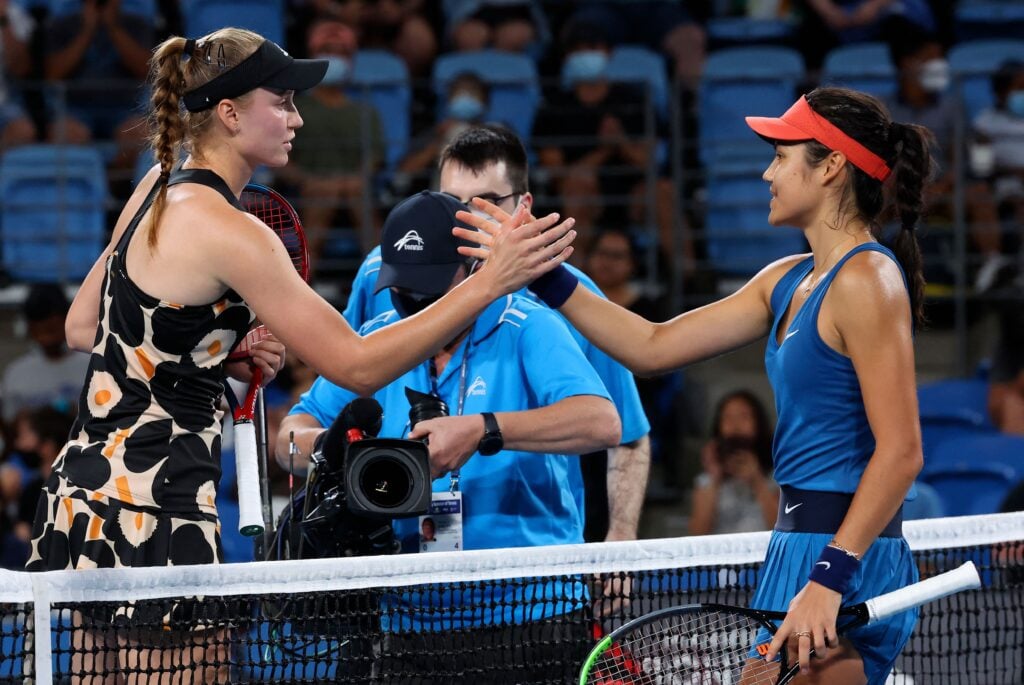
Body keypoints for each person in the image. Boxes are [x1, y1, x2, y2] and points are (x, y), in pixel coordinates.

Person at [24, 26, 573, 681]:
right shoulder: (237, 234)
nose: (298, 116)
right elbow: (357, 366)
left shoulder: (152, 191)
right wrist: (491, 280)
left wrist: (208, 349)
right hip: (157, 505)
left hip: (84, 496)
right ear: (229, 114)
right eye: (281, 101)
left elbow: (87, 324)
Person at [462, 86, 930, 684]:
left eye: (782, 156)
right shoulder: (785, 280)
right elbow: (651, 346)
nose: (767, 172)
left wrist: (830, 575)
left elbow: (902, 451)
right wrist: (544, 273)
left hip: (846, 555)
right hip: (797, 549)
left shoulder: (869, 277)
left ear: (832, 166)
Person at [278, 189, 620, 682]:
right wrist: (336, 450)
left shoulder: (528, 327)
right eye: (405, 289)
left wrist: (484, 429)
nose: (417, 304)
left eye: (432, 287)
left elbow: (600, 421)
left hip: (529, 614)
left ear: (475, 271)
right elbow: (288, 437)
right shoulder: (376, 340)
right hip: (405, 618)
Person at [344, 124, 651, 547]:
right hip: (403, 564)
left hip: (531, 554)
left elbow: (626, 433)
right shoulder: (385, 273)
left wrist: (620, 537)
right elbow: (345, 386)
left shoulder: (568, 298)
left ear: (524, 206)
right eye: (453, 204)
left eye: (486, 204)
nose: (466, 221)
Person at [273, 19, 385, 267]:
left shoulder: (365, 111)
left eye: (341, 53)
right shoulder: (294, 107)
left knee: (355, 190)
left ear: (351, 60)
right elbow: (278, 161)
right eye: (327, 51)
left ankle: (380, 279)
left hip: (355, 190)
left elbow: (374, 158)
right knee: (324, 193)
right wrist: (306, 180)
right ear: (313, 56)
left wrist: (357, 178)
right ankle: (304, 280)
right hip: (308, 192)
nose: (334, 58)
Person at [689, 390, 779, 536]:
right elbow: (697, 533)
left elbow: (783, 531)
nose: (735, 425)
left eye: (744, 417)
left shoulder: (777, 477)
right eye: (727, 418)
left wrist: (757, 481)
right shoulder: (706, 481)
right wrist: (715, 477)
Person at [1, 283, 90, 424]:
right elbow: (10, 424)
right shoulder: (17, 373)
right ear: (29, 328)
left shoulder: (92, 365)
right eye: (38, 331)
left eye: (52, 329)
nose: (46, 339)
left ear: (67, 320)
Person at [0, 0, 37, 149]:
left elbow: (20, 68)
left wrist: (3, 20)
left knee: (23, 130)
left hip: (3, 103)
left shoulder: (14, 14)